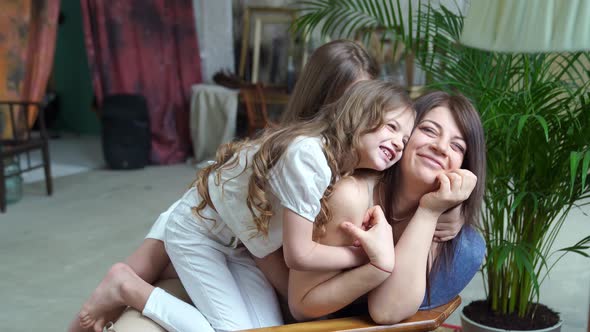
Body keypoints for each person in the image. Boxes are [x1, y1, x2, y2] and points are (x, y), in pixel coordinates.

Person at [68, 39, 381, 332]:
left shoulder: (345, 161)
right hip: (204, 221)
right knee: (137, 272)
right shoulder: (302, 153)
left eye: (366, 102)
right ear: (320, 101)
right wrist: (365, 260)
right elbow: (289, 257)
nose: (355, 112)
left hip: (238, 240)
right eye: (347, 100)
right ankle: (127, 286)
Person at [287, 91, 486, 324]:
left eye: (457, 146)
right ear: (404, 135)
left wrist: (429, 211)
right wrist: (375, 267)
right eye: (429, 130)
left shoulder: (452, 233)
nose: (441, 147)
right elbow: (300, 308)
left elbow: (387, 311)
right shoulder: (352, 197)